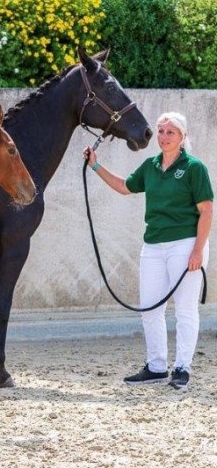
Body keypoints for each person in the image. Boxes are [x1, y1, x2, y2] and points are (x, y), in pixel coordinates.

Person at [84, 112, 213, 391]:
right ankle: (156, 366)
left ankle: (182, 368)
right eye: (161, 131)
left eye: (171, 132)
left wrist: (198, 251)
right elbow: (124, 186)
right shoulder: (150, 166)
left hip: (185, 243)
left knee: (185, 309)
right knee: (150, 308)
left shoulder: (194, 168)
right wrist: (96, 167)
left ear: (182, 137)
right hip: (153, 245)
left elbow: (206, 211)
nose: (164, 137)